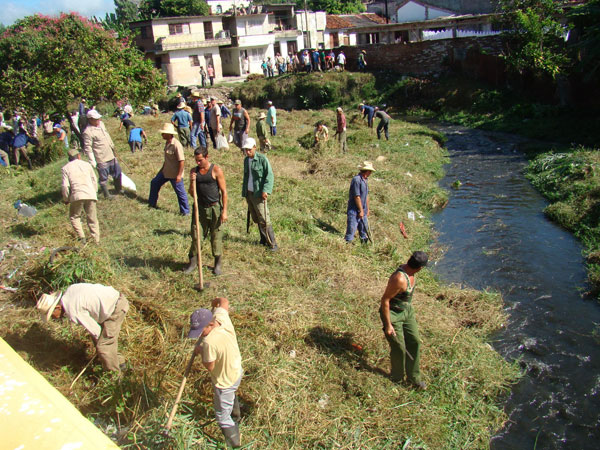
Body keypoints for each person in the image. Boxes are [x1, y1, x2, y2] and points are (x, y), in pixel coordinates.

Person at [36, 283, 129, 372]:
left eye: (52, 314)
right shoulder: (69, 292)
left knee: (104, 346)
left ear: (57, 307)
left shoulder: (72, 310)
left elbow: (96, 331)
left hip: (116, 308)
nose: (54, 318)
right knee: (105, 343)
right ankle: (120, 363)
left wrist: (100, 350)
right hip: (111, 301)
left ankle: (115, 378)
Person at [188, 298, 243, 448]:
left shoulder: (209, 343)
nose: (200, 335)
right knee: (231, 393)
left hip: (224, 380)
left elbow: (210, 366)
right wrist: (215, 302)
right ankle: (236, 416)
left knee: (221, 416)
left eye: (201, 331)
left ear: (210, 324)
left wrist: (200, 351)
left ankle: (235, 444)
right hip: (236, 368)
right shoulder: (221, 317)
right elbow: (224, 302)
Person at [379, 251, 428, 390]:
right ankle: (397, 378)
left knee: (414, 341)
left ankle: (414, 378)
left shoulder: (412, 273)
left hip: (407, 312)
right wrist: (388, 325)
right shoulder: (399, 279)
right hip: (393, 314)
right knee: (399, 348)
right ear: (419, 268)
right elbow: (385, 300)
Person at [184, 147, 228, 276]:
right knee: (197, 236)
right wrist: (192, 182)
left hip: (215, 209)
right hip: (200, 209)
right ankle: (193, 263)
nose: (198, 163)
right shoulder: (194, 172)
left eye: (200, 160)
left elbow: (224, 192)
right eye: (196, 160)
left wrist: (224, 211)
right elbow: (192, 193)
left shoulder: (216, 170)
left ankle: (217, 265)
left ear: (207, 157)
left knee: (216, 237)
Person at [242, 138, 277, 251]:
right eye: (246, 150)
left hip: (259, 194)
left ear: (255, 147)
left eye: (249, 150)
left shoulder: (262, 159)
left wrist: (265, 190)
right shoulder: (246, 160)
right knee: (256, 218)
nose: (247, 152)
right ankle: (263, 239)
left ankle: (272, 243)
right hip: (249, 193)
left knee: (264, 219)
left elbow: (269, 176)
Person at [148, 123, 190, 215]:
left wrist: (179, 175)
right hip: (165, 171)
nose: (162, 135)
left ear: (169, 134)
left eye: (164, 133)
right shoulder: (167, 143)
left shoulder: (176, 145)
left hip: (175, 174)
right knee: (154, 183)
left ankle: (185, 212)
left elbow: (181, 161)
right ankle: (151, 204)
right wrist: (161, 171)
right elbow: (167, 160)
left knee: (180, 193)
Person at [61, 148, 99, 243]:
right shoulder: (87, 165)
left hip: (76, 195)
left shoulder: (65, 168)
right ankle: (96, 240)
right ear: (79, 156)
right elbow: (94, 180)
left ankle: (82, 238)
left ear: (69, 158)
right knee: (92, 218)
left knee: (74, 217)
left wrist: (66, 199)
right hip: (90, 193)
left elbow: (65, 186)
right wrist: (94, 192)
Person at [82, 109, 123, 199]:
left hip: (110, 154)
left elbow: (107, 137)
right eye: (96, 119)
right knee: (103, 178)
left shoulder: (101, 125)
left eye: (98, 118)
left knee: (118, 172)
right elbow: (88, 148)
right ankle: (107, 195)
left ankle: (118, 189)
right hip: (101, 157)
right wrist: (92, 161)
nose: (98, 120)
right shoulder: (88, 132)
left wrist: (113, 148)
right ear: (90, 119)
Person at [345, 161, 374, 243]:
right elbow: (357, 196)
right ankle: (347, 246)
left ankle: (364, 247)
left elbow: (366, 195)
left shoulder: (365, 180)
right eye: (370, 171)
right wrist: (360, 210)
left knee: (364, 231)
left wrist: (367, 209)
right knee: (351, 230)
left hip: (363, 211)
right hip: (354, 210)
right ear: (366, 171)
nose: (371, 173)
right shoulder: (356, 180)